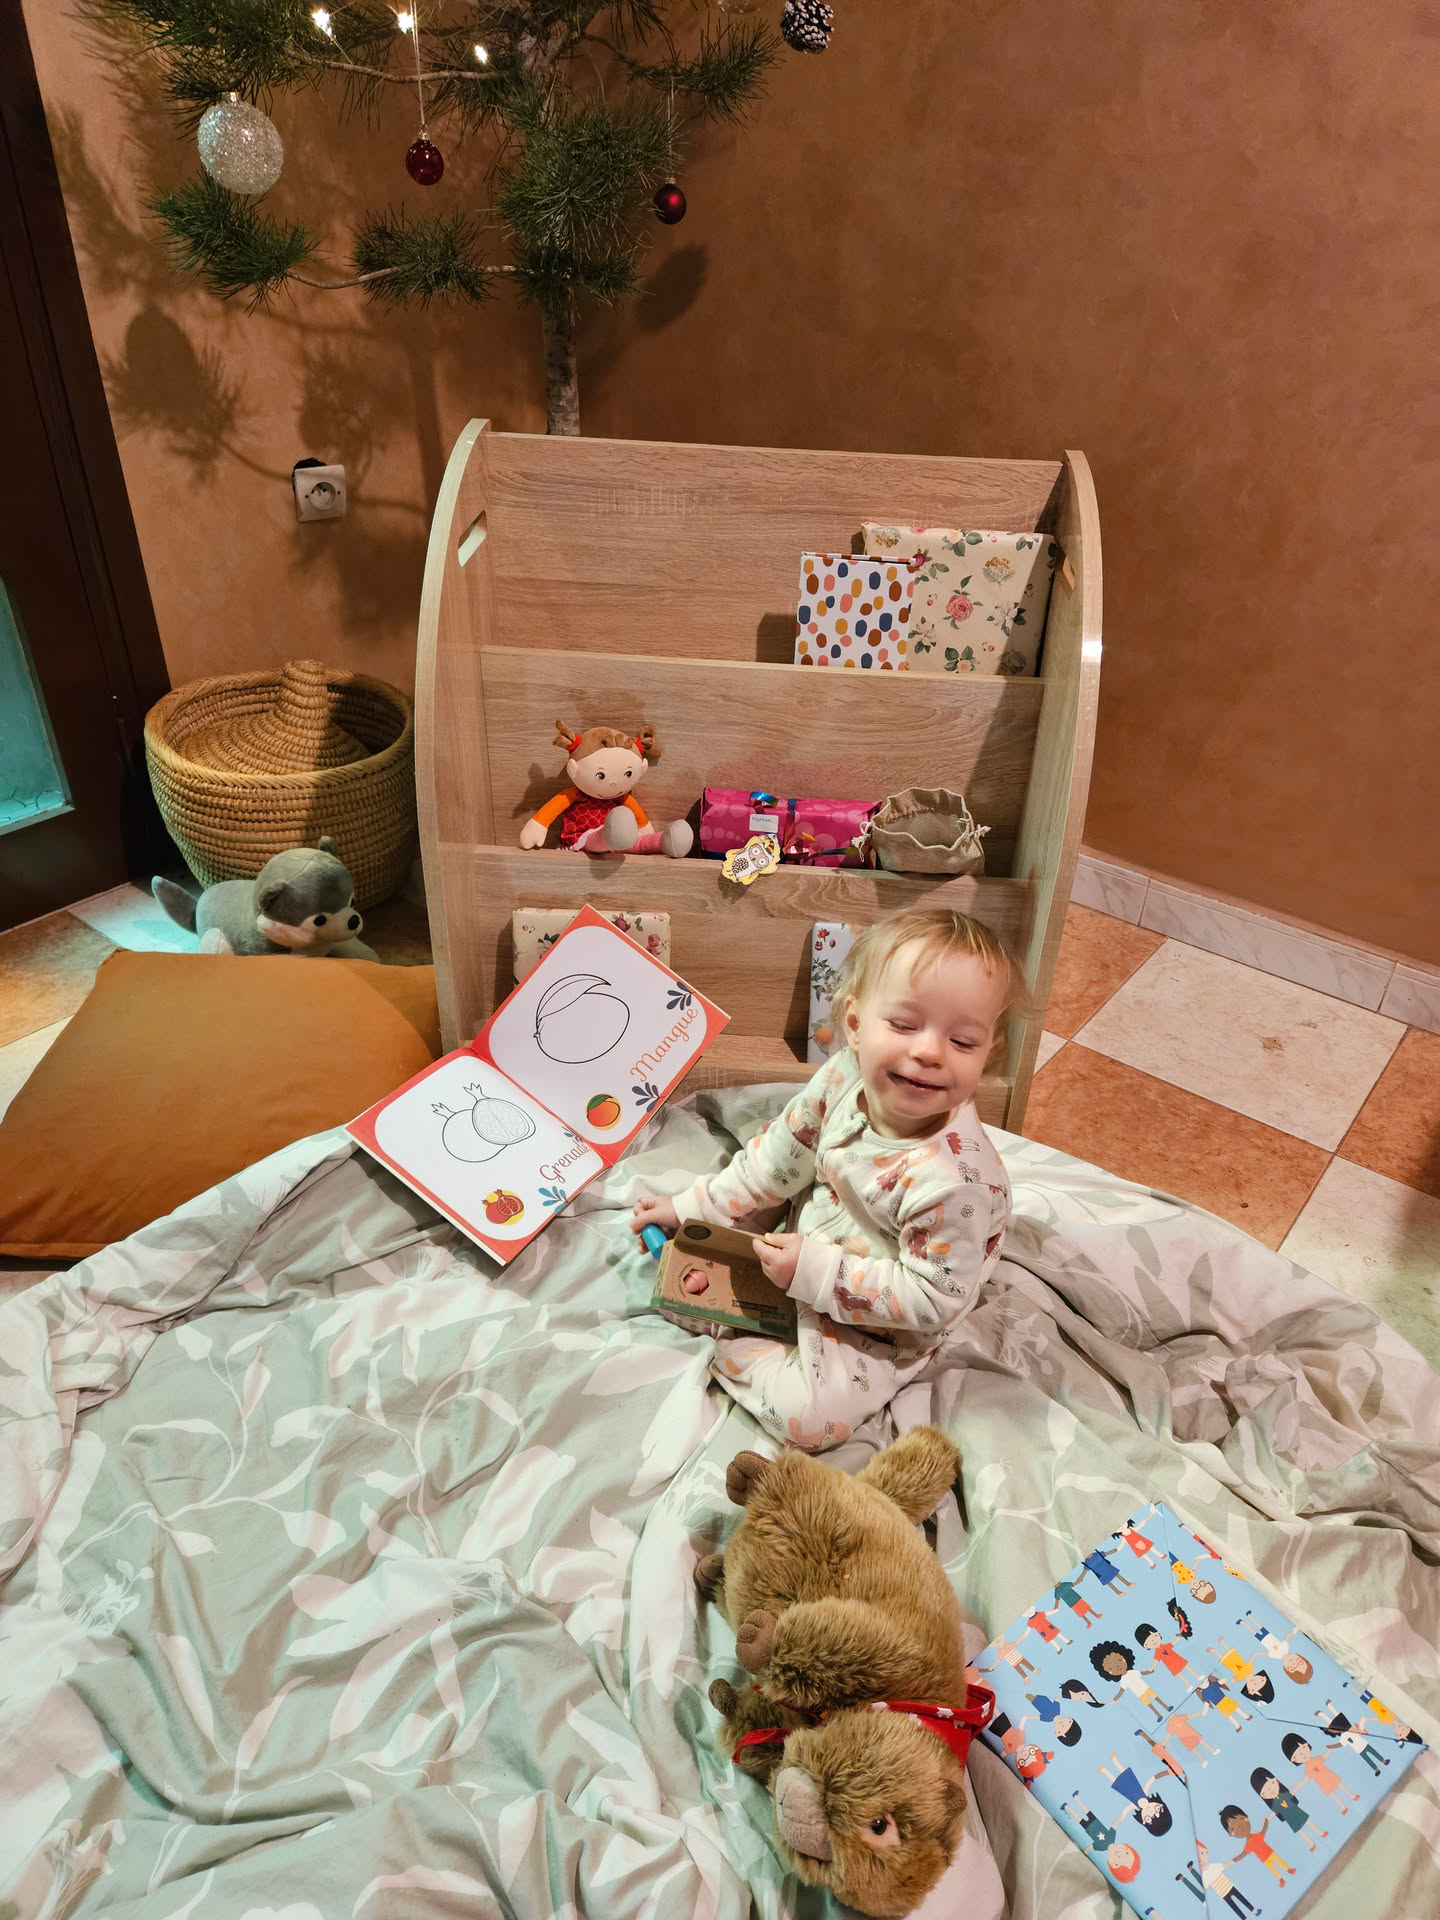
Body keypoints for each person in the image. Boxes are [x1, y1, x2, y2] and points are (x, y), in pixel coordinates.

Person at [631, 909, 1017, 1450]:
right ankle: (742, 1304)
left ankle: (737, 1339)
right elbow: (776, 1160)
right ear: (855, 1025)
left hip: (883, 1307)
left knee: (810, 1421)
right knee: (690, 1258)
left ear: (988, 1052)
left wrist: (816, 1273)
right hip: (809, 1227)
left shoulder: (954, 1185)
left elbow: (931, 1301)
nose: (929, 1052)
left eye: (963, 1042)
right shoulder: (842, 1075)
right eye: (904, 1025)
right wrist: (693, 1207)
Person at [1252, 1766, 1328, 1848]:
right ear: (1263, 1796)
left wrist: (1304, 1780)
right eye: (1265, 1791)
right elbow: (1273, 1813)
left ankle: (1320, 1832)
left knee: (1307, 1822)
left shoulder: (1284, 1795)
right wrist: (1267, 1819)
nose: (1271, 1790)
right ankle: (1311, 1843)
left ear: (1277, 1781)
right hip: (1290, 1819)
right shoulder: (1275, 1805)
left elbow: (1294, 1790)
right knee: (1300, 1830)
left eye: (1272, 1783)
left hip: (1297, 1812)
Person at [1221, 1806, 1295, 1883]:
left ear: (1246, 1817)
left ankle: (1288, 1870)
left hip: (1270, 1853)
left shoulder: (1257, 1836)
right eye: (1232, 1828)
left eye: (1241, 1819)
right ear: (1230, 1834)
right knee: (1273, 1868)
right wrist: (1231, 1862)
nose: (1239, 1826)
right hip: (1265, 1858)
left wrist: (1266, 1821)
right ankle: (1281, 1879)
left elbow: (1264, 1830)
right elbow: (1241, 1855)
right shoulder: (1248, 1845)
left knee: (1279, 1861)